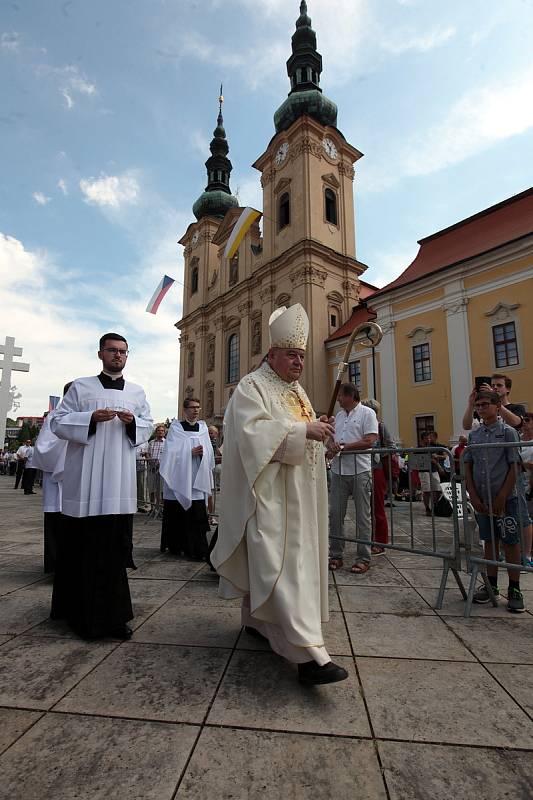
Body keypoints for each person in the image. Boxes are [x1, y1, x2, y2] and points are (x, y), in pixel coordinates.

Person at [211, 303, 347, 686]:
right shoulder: (251, 387)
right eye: (292, 354)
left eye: (302, 355)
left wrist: (322, 438)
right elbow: (251, 436)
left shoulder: (298, 392)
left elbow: (303, 432)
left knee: (285, 567)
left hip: (300, 497)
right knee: (282, 569)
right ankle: (308, 658)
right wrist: (305, 432)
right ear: (271, 354)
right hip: (269, 496)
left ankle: (255, 621)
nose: (299, 361)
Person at [50, 333, 153, 639]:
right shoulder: (81, 387)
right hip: (85, 486)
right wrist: (90, 418)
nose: (118, 355)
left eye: (123, 351)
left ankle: (114, 618)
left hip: (118, 486)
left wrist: (133, 422)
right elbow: (58, 422)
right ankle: (80, 616)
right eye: (112, 350)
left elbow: (147, 425)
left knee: (112, 553)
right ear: (100, 354)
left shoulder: (136, 391)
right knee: (83, 549)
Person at [465, 390, 525, 612]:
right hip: (482, 497)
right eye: (477, 406)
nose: (480, 409)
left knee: (510, 542)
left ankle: (515, 588)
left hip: (506, 498)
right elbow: (468, 465)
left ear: (497, 406)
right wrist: (472, 493)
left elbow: (514, 465)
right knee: (489, 542)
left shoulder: (508, 433)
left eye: (484, 405)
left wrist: (502, 496)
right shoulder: (475, 435)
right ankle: (491, 585)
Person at [328, 384, 378, 574]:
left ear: (350, 396)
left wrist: (344, 447)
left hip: (360, 470)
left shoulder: (367, 413)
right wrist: (332, 446)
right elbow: (332, 439)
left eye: (340, 396)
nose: (338, 399)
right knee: (335, 515)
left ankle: (363, 557)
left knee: (362, 516)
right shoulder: (339, 416)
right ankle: (336, 554)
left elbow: (370, 440)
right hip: (339, 471)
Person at [159, 400, 214, 559]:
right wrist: (189, 453)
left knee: (196, 513)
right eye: (192, 408)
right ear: (185, 410)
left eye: (198, 407)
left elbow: (210, 452)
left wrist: (203, 453)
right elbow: (170, 454)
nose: (196, 411)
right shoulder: (176, 428)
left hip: (197, 475)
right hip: (179, 477)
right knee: (178, 512)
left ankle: (197, 548)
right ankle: (177, 545)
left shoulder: (203, 428)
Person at [31, 384, 72, 572]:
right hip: (58, 484)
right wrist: (69, 442)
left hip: (78, 482)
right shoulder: (54, 417)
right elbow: (43, 449)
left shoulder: (87, 417)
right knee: (57, 525)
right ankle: (55, 566)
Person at [362, 398, 393, 556]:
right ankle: (367, 540)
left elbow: (391, 446)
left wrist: (376, 454)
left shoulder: (381, 427)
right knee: (364, 509)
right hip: (361, 469)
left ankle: (380, 542)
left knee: (377, 507)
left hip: (376, 470)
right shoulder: (361, 427)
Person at [146, 423, 166, 507]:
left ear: (164, 432)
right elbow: (147, 453)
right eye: (158, 431)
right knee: (152, 489)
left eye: (162, 431)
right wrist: (151, 461)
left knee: (162, 490)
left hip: (163, 470)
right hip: (152, 469)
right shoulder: (151, 442)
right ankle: (153, 508)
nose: (160, 432)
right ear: (156, 432)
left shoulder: (167, 443)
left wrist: (161, 463)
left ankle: (161, 509)